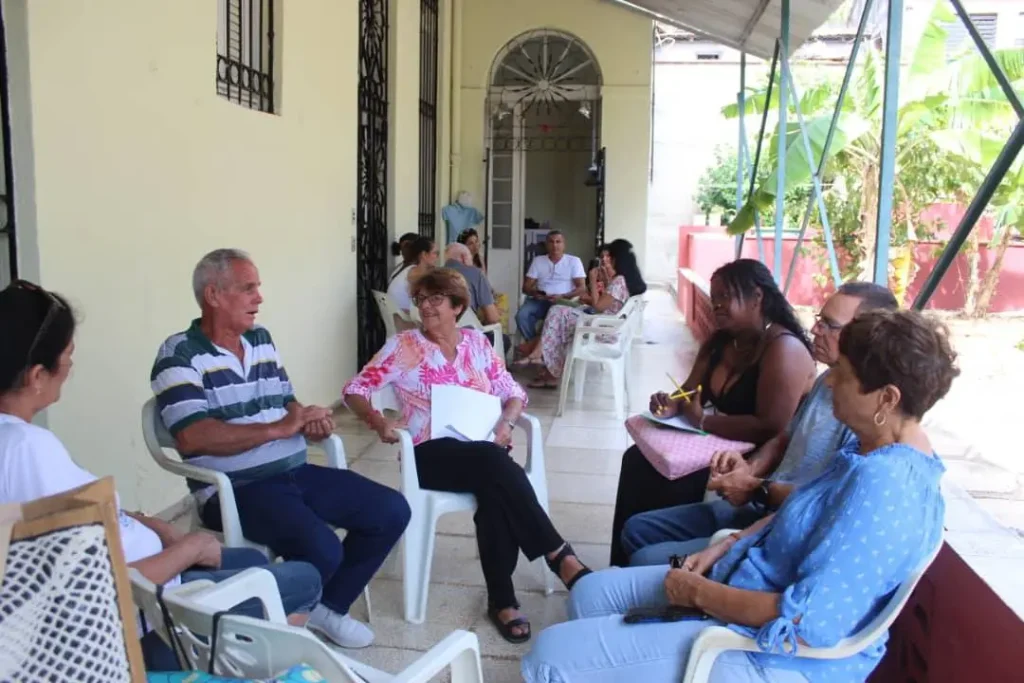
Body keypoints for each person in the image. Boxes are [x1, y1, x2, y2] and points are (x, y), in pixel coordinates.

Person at [523, 308, 958, 683]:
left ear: (887, 398)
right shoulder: (868, 451)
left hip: (769, 653)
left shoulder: (885, 487)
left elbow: (808, 622)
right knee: (589, 595)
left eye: (843, 374)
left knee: (548, 658)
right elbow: (799, 511)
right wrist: (725, 546)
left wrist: (696, 593)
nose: (829, 384)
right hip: (738, 580)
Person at [0, 280, 323, 672]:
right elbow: (103, 590)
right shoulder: (28, 451)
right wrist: (189, 549)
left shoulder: (19, 444)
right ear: (37, 376)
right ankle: (244, 666)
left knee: (252, 558)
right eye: (68, 356)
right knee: (305, 578)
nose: (70, 367)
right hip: (149, 619)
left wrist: (155, 527)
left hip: (154, 572)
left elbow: (74, 527)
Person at [151, 249, 411, 649]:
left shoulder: (260, 340)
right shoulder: (179, 354)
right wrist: (277, 429)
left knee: (391, 510)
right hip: (237, 487)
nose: (259, 297)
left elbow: (285, 400)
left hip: (294, 471)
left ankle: (325, 607)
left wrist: (306, 417)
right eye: (248, 288)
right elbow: (193, 436)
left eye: (257, 287)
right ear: (214, 295)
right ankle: (283, 624)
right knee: (322, 548)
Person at [343, 269, 592, 645]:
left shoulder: (477, 343)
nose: (426, 307)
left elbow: (513, 392)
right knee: (496, 467)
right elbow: (355, 389)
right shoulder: (403, 345)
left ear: (458, 306)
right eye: (421, 300)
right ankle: (559, 555)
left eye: (436, 299)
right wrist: (377, 421)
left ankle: (503, 601)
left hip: (482, 453)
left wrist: (507, 423)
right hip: (429, 454)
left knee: (495, 484)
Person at [623, 282, 899, 566]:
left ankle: (645, 584)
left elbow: (825, 498)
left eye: (830, 325)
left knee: (646, 555)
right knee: (637, 526)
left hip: (781, 524)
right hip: (759, 503)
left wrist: (756, 487)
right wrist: (748, 469)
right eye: (820, 319)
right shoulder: (825, 379)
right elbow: (783, 438)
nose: (816, 329)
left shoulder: (864, 412)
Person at [609, 258, 816, 567]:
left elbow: (771, 425)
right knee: (637, 460)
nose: (716, 304)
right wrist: (671, 403)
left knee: (672, 480)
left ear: (757, 297)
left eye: (725, 296)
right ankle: (622, 566)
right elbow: (690, 390)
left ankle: (665, 564)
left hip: (753, 459)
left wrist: (704, 420)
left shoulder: (783, 348)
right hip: (715, 442)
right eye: (714, 296)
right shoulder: (721, 342)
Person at [516, 240, 647, 389]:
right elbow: (607, 303)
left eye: (610, 256)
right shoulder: (626, 279)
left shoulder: (619, 281)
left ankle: (542, 360)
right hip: (607, 326)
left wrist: (592, 281)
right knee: (559, 316)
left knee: (557, 314)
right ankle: (545, 364)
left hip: (603, 330)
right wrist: (605, 282)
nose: (608, 260)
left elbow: (598, 307)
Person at [516, 231, 586, 344]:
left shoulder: (574, 261)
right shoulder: (538, 261)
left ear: (564, 244)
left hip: (564, 301)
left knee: (558, 315)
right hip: (541, 301)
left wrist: (563, 296)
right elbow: (526, 287)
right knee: (522, 316)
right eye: (551, 242)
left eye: (558, 242)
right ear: (546, 245)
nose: (555, 245)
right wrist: (535, 293)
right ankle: (533, 343)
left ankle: (540, 347)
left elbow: (582, 288)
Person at [459, 227, 511, 334]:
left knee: (502, 300)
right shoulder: (461, 262)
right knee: (492, 310)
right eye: (470, 243)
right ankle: (487, 331)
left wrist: (490, 291)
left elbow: (484, 280)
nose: (475, 246)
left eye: (476, 241)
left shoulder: (480, 258)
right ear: (463, 246)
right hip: (472, 296)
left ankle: (496, 333)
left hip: (482, 292)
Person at [444, 242, 500, 325]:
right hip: (467, 329)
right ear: (463, 257)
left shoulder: (434, 275)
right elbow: (493, 318)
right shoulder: (476, 274)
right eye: (471, 258)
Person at [387, 236, 439, 314]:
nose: (437, 257)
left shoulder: (411, 268)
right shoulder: (419, 274)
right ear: (424, 254)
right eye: (435, 253)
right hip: (402, 317)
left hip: (396, 314)